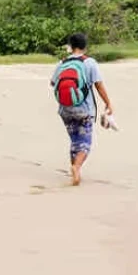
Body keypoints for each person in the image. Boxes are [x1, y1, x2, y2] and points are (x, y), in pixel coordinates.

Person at [51, 33, 113, 186]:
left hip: (65, 109)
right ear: (85, 46)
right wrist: (108, 103)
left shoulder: (62, 63)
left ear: (70, 46)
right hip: (84, 109)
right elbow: (98, 85)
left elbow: (53, 83)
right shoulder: (89, 63)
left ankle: (74, 169)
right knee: (84, 141)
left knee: (74, 140)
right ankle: (76, 167)